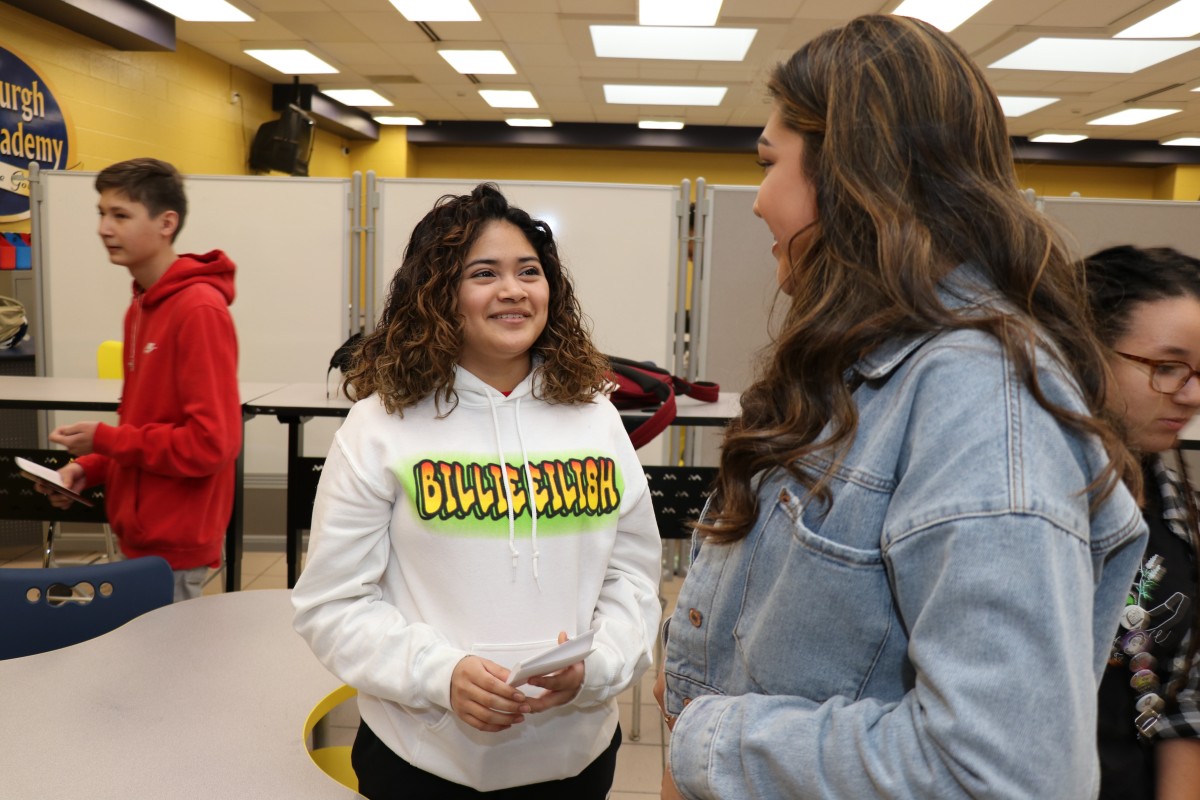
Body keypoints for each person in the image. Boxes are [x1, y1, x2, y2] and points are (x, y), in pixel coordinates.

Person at [653, 14, 1148, 799]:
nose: (756, 202)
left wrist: (716, 738)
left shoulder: (981, 400)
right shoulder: (860, 363)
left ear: (851, 177)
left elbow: (1002, 771)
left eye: (769, 162)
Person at [291, 182, 661, 798]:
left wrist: (597, 667)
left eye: (529, 272)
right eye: (484, 273)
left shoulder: (594, 417)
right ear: (440, 295)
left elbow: (633, 579)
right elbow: (330, 604)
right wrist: (442, 675)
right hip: (422, 762)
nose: (513, 290)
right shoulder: (382, 423)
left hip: (576, 757)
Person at [39, 157, 240, 602]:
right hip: (141, 537)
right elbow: (148, 425)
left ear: (166, 222)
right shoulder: (142, 307)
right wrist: (85, 468)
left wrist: (105, 442)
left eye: (120, 215)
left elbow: (211, 444)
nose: (104, 228)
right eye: (101, 213)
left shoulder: (198, 310)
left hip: (175, 547)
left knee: (169, 671)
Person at [1084, 245, 1200, 800]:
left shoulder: (1178, 506)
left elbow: (1186, 697)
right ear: (1084, 352)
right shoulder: (1023, 503)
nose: (1192, 395)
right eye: (1167, 368)